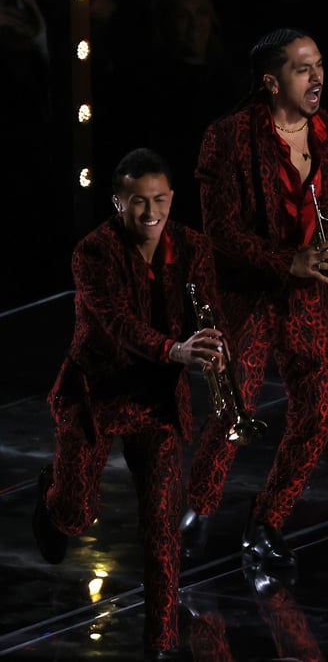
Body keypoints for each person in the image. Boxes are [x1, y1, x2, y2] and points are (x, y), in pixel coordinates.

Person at [32, 148, 228, 660]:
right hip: (98, 394)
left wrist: (212, 345)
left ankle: (159, 646)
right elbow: (117, 323)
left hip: (157, 400)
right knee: (77, 516)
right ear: (117, 202)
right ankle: (51, 498)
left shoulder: (194, 246)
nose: (149, 213)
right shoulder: (91, 254)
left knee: (163, 530)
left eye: (159, 200)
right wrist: (175, 350)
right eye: (138, 202)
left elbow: (206, 309)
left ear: (171, 198)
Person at [181, 28, 328, 568]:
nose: (317, 77)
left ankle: (268, 520)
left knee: (319, 415)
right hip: (250, 294)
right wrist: (288, 261)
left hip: (311, 295)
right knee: (234, 412)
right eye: (303, 69)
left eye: (320, 65)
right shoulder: (228, 138)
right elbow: (222, 232)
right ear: (270, 81)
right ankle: (198, 508)